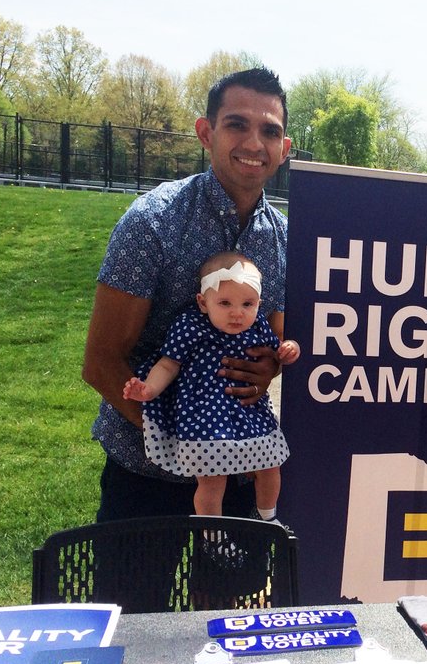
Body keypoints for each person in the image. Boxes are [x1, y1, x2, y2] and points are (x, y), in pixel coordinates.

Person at [83, 66, 292, 521]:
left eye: (269, 131)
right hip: (145, 471)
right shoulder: (153, 222)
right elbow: (101, 361)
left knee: (234, 572)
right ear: (206, 133)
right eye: (236, 124)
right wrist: (182, 443)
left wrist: (270, 365)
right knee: (136, 574)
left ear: (284, 148)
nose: (254, 143)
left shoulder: (286, 240)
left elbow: (280, 340)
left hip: (242, 470)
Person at [123, 252, 300, 520]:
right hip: (206, 414)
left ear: (259, 304)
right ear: (203, 302)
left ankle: (269, 516)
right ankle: (213, 531)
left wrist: (289, 349)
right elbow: (169, 364)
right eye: (225, 303)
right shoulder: (190, 326)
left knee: (271, 464)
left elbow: (277, 350)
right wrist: (148, 389)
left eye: (248, 304)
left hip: (250, 411)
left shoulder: (258, 325)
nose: (237, 313)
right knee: (212, 480)